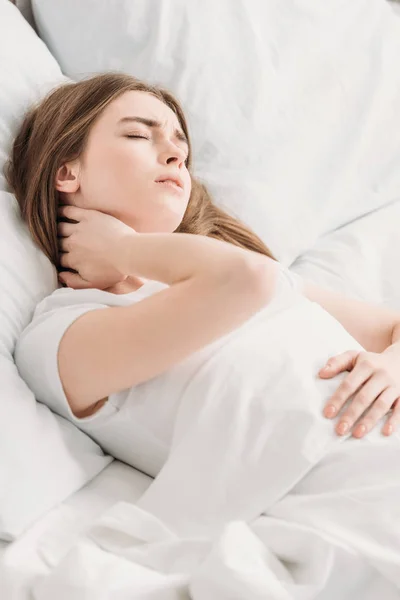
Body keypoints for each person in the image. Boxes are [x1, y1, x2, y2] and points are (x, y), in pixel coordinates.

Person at [5, 72, 400, 477]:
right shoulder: (57, 336)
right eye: (140, 136)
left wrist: (392, 367)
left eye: (181, 146)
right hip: (358, 485)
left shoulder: (255, 274)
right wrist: (120, 249)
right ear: (67, 172)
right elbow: (247, 280)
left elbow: (393, 328)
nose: (176, 155)